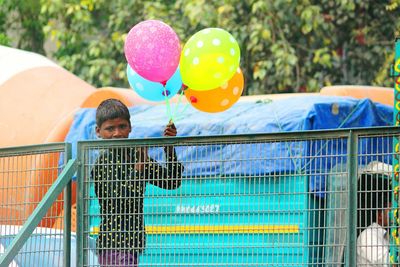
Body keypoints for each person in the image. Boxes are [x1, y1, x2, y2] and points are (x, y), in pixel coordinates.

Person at [91, 98, 184, 267]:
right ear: (99, 132)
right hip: (113, 244)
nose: (117, 133)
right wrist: (139, 168)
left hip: (132, 244)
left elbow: (171, 181)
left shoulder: (136, 155)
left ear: (130, 127)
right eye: (110, 128)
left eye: (122, 126)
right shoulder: (103, 162)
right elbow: (119, 200)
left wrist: (168, 147)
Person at [357, 172, 392, 266]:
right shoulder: (369, 235)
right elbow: (386, 262)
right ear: (380, 215)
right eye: (391, 211)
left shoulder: (386, 235)